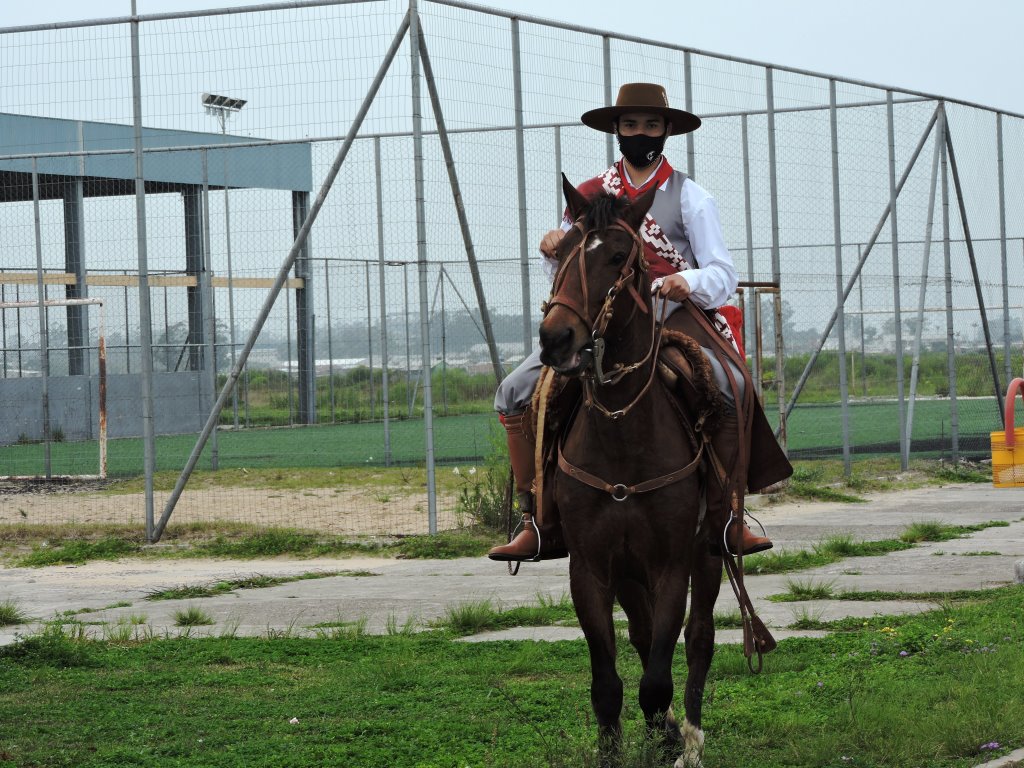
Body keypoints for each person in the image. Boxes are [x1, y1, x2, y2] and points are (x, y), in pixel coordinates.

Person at [488, 83, 792, 563]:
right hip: (598, 321)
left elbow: (722, 273)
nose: (640, 132)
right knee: (516, 390)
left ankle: (729, 514)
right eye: (630, 125)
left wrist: (687, 280)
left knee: (728, 383)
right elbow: (572, 269)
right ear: (617, 130)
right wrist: (553, 246)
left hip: (672, 315)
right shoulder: (589, 194)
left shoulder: (690, 196)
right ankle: (537, 520)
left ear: (666, 130)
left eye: (650, 124)